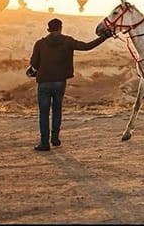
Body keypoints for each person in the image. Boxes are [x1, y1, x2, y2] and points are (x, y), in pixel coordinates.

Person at [27, 18, 111, 151]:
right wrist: (105, 36)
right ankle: (55, 138)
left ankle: (44, 143)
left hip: (44, 82)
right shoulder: (68, 41)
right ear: (61, 28)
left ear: (48, 29)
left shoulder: (40, 44)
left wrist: (32, 71)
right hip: (60, 82)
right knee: (57, 109)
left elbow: (35, 64)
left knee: (44, 113)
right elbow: (87, 46)